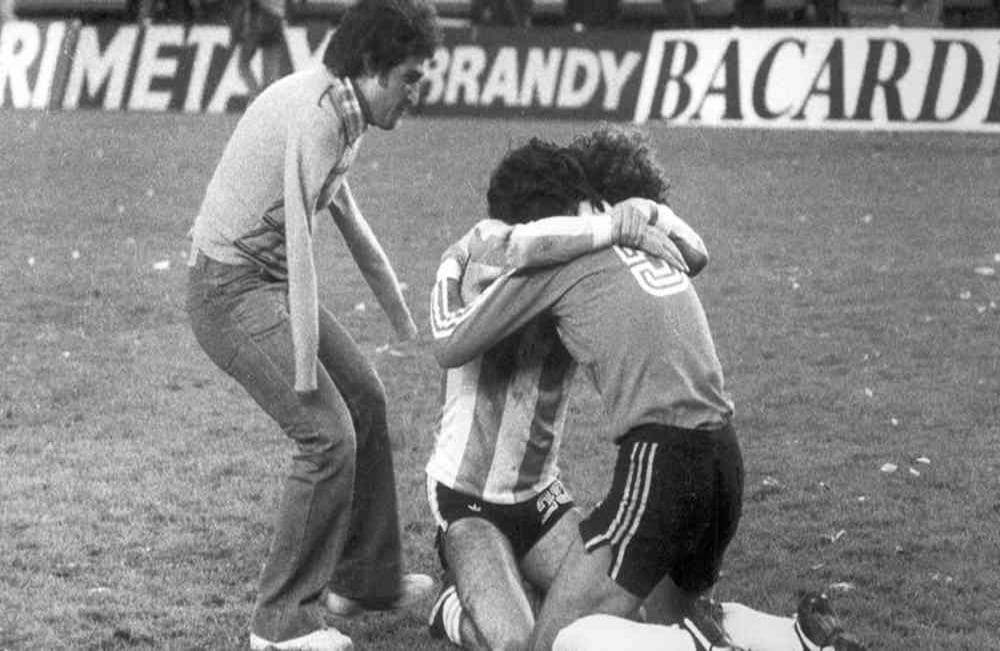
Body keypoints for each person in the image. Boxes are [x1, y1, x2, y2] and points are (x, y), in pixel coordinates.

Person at [431, 134, 867, 651]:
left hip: (572, 488)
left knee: (559, 640)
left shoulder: (561, 262)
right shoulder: (563, 254)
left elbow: (453, 333)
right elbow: (451, 336)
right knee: (600, 625)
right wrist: (639, 217)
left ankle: (696, 643)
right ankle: (791, 638)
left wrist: (623, 221)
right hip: (476, 500)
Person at [184, 1, 442, 649]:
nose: (417, 93)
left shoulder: (344, 109)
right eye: (410, 78)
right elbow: (301, 243)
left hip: (260, 283)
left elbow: (346, 218)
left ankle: (365, 578)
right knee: (328, 436)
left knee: (367, 397)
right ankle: (278, 622)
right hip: (228, 290)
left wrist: (400, 314)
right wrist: (303, 365)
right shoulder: (318, 115)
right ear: (371, 66)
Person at [426, 130, 708, 651]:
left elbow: (692, 256)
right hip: (467, 503)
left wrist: (639, 213)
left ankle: (509, 587)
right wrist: (608, 227)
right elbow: (450, 334)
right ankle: (451, 610)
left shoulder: (580, 268)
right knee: (518, 645)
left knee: (621, 624)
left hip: (542, 499)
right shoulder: (479, 252)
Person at [229, 0, 287, 103]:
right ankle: (268, 104)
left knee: (243, 64)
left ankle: (257, 97)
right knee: (270, 78)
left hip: (259, 18)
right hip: (277, 20)